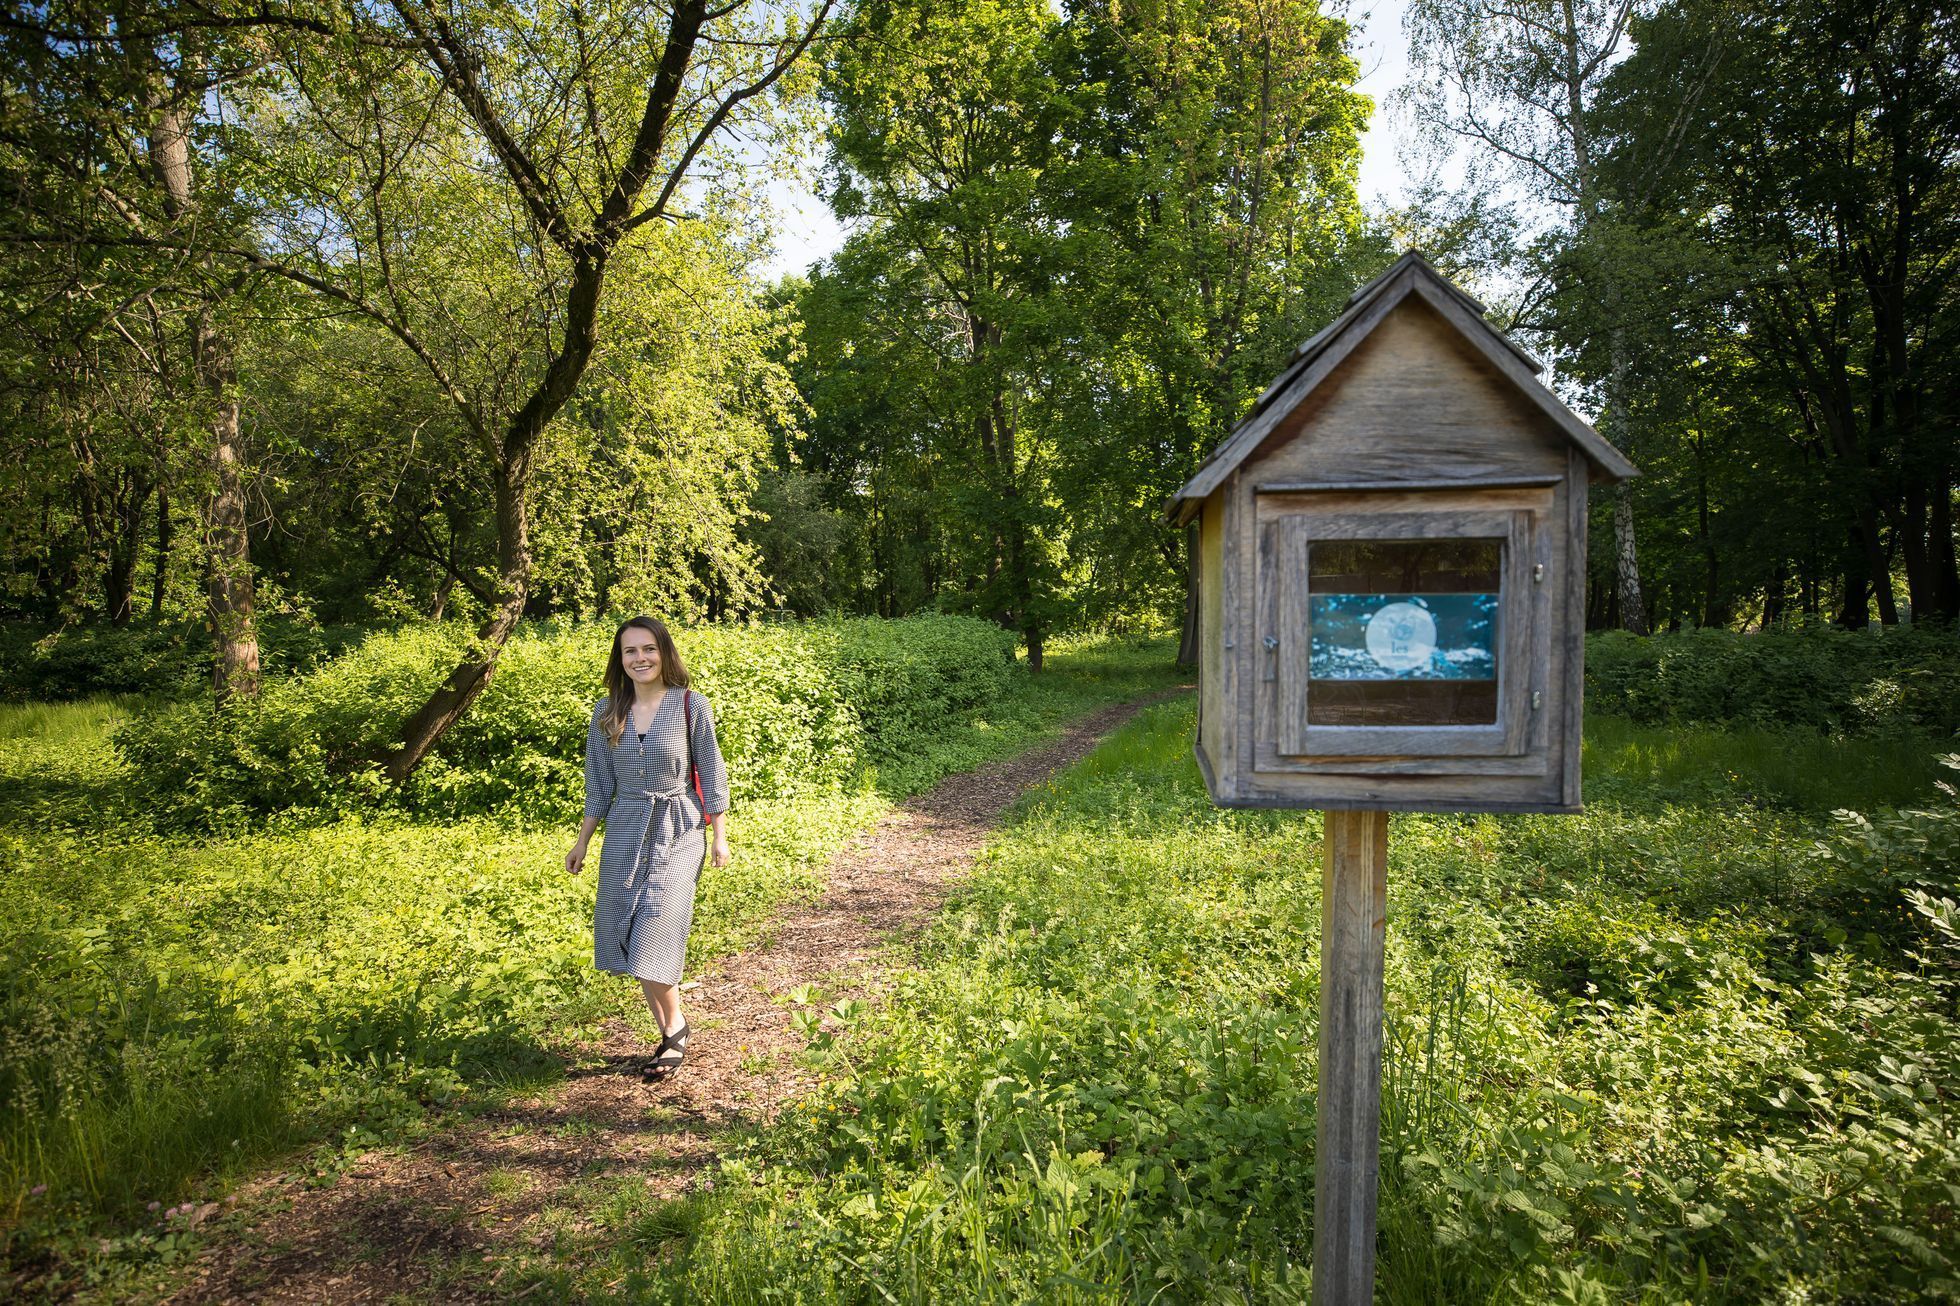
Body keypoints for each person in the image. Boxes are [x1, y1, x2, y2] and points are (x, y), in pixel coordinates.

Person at [566, 616, 730, 1081]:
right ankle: (668, 1034)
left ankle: (674, 1028)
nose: (640, 658)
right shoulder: (607, 712)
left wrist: (719, 835)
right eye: (630, 651)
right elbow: (599, 783)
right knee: (628, 926)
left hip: (679, 827)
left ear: (664, 653)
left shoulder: (689, 706)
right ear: (620, 661)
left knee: (658, 920)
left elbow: (711, 771)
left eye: (648, 649)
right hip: (623, 828)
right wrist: (582, 842)